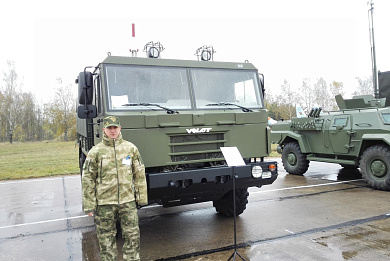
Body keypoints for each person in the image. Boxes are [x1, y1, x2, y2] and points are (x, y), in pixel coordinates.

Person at [82, 115, 148, 261]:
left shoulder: (130, 148)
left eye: (115, 127)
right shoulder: (96, 152)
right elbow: (88, 179)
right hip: (104, 204)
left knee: (132, 236)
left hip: (127, 201)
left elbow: (139, 174)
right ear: (104, 129)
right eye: (109, 128)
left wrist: (141, 198)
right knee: (106, 240)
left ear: (120, 128)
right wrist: (89, 205)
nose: (112, 131)